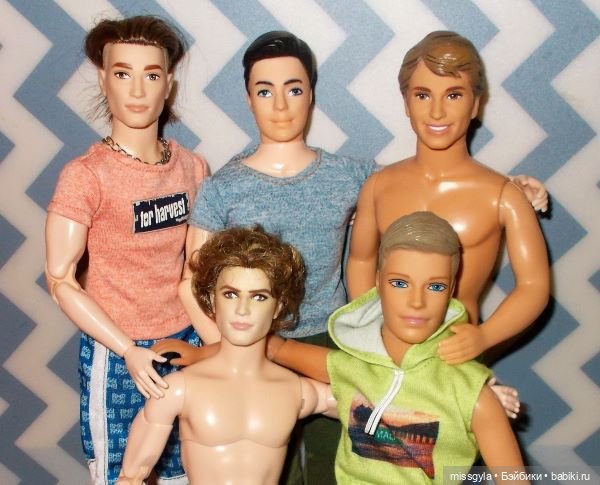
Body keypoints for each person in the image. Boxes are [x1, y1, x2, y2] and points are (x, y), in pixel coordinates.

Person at [173, 30, 543, 484]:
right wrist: (226, 353)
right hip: (274, 342)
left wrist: (512, 188)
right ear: (248, 98)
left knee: (359, 460)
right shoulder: (226, 188)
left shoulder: (350, 175)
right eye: (265, 91)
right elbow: (197, 281)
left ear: (311, 94)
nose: (281, 105)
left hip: (359, 344)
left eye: (294, 89)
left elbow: (431, 185)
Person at [44, 16, 209, 484]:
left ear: (168, 85)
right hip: (116, 352)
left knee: (187, 468)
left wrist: (216, 347)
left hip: (185, 343)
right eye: (122, 73)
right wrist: (127, 350)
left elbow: (197, 269)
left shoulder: (192, 168)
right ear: (104, 80)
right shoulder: (86, 176)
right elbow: (60, 279)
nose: (137, 90)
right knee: (120, 473)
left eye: (151, 75)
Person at [267, 212, 529, 484]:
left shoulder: (469, 394)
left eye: (435, 286)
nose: (417, 302)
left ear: (451, 290)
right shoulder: (352, 367)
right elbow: (277, 349)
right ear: (378, 282)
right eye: (400, 283)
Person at [346, 31, 550, 365]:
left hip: (453, 356)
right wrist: (369, 325)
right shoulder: (379, 186)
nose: (437, 112)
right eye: (423, 95)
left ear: (475, 104)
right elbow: (360, 261)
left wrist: (485, 336)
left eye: (453, 95)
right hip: (387, 351)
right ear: (407, 103)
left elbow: (534, 286)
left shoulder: (501, 196)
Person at [116, 226, 336, 485]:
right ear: (212, 300)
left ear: (277, 307)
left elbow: (366, 398)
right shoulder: (179, 390)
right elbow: (130, 477)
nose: (242, 310)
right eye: (231, 294)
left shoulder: (296, 391)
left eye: (259, 297)